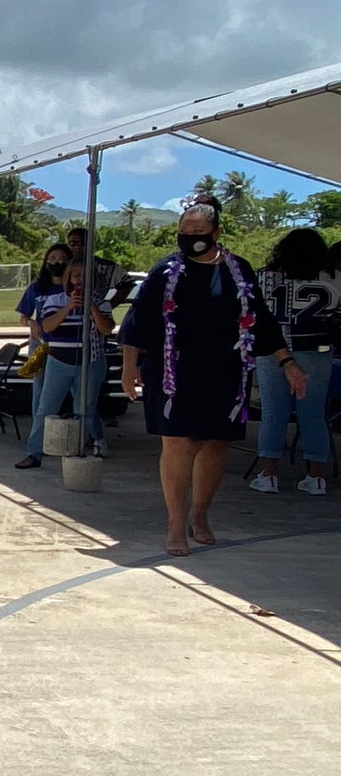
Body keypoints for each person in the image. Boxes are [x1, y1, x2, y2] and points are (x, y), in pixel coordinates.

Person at [119, 199, 302, 556]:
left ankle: (200, 514)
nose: (189, 239)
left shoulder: (239, 271)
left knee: (215, 444)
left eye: (198, 233)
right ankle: (175, 521)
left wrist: (286, 361)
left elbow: (260, 319)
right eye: (183, 233)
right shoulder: (165, 272)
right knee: (178, 442)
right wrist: (130, 368)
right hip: (173, 369)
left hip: (225, 369)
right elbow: (138, 321)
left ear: (216, 233)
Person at [251, 226, 334, 494]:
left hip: (272, 351)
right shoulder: (335, 278)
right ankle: (317, 477)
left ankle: (268, 474)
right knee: (314, 413)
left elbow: (252, 316)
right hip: (317, 350)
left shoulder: (264, 277)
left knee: (274, 412)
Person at [16, 260, 114, 468]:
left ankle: (79, 449)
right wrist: (69, 306)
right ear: (68, 278)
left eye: (84, 275)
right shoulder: (55, 300)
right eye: (76, 275)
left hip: (91, 361)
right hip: (59, 361)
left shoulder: (101, 302)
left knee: (84, 407)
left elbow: (107, 330)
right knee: (46, 407)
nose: (80, 279)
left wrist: (92, 308)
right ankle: (34, 452)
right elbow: (47, 327)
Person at [16, 244, 70, 341]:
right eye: (53, 259)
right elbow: (23, 317)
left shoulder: (74, 289)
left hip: (67, 341)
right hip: (41, 340)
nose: (58, 262)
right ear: (46, 263)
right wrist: (30, 322)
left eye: (63, 259)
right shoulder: (35, 288)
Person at [65, 223, 118, 300]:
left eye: (82, 243)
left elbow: (126, 286)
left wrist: (110, 304)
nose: (77, 247)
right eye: (72, 243)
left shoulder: (106, 266)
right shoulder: (63, 264)